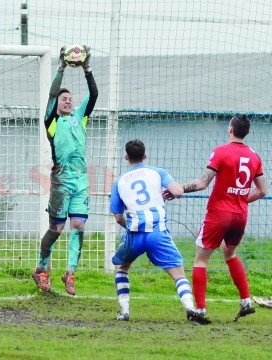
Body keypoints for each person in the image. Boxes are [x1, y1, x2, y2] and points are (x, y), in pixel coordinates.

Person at [177, 114, 267, 323]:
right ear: (248, 133)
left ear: (230, 130)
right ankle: (246, 301)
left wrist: (178, 189)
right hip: (240, 215)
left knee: (201, 259)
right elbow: (262, 190)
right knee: (230, 253)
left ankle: (199, 311)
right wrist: (241, 200)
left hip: (219, 213)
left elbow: (202, 183)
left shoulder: (221, 152)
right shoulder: (254, 156)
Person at [109, 140, 207, 323]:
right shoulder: (157, 172)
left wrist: (131, 227)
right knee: (178, 274)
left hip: (134, 235)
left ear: (126, 157)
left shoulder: (119, 182)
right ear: (145, 156)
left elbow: (117, 217)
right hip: (158, 233)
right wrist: (173, 192)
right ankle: (190, 308)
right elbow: (177, 191)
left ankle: (124, 311)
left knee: (122, 268)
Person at [32, 45, 98, 295]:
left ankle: (70, 273)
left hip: (81, 182)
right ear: (57, 105)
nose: (68, 101)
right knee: (56, 229)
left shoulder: (80, 116)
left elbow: (93, 94)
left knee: (79, 226)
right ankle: (41, 270)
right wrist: (61, 67)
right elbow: (51, 95)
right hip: (61, 182)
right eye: (64, 99)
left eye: (70, 98)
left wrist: (87, 68)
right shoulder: (52, 121)